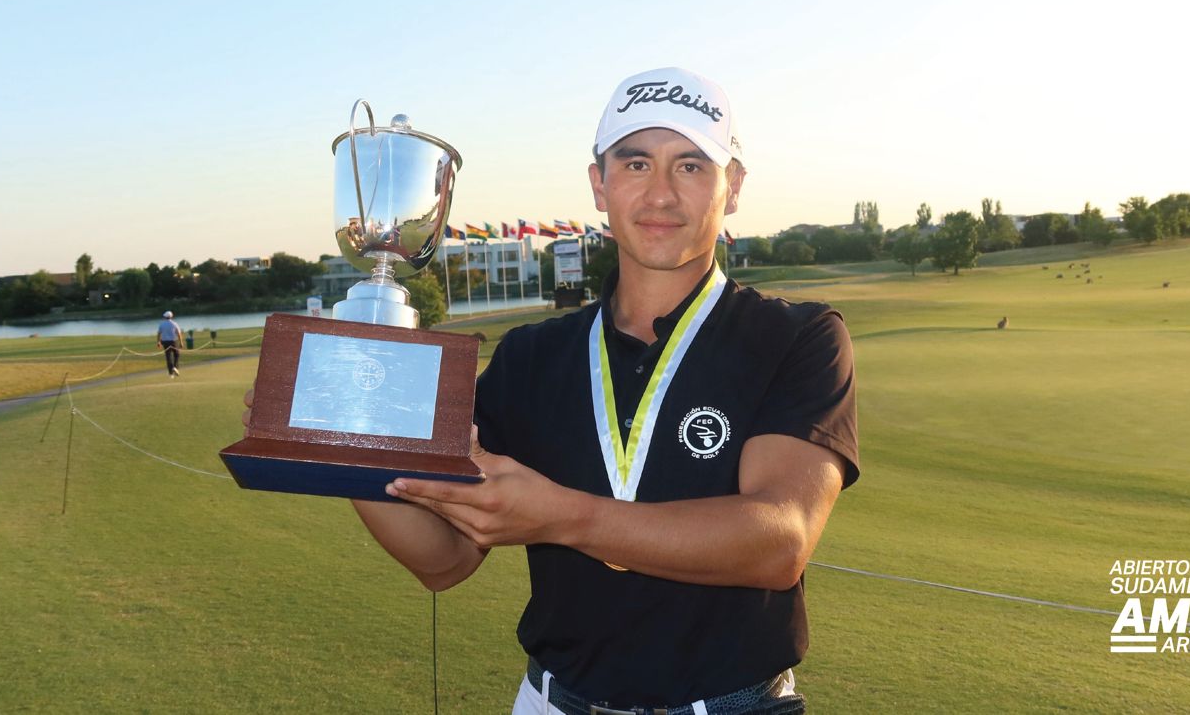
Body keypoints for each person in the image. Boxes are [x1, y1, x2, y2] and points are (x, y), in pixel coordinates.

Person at [244, 67, 858, 713]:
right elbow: (444, 559)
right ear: (599, 183)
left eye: (691, 167)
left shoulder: (797, 336)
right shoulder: (532, 358)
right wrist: (345, 445)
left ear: (731, 186)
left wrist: (562, 515)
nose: (661, 196)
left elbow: (779, 541)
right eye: (636, 164)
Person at [157, 311, 183, 378]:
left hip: (165, 342)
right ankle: (175, 367)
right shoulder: (174, 324)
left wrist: (158, 342)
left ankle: (171, 373)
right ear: (171, 316)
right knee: (177, 355)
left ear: (165, 317)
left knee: (168, 357)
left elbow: (159, 334)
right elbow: (179, 333)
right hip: (174, 342)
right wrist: (181, 342)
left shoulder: (162, 324)